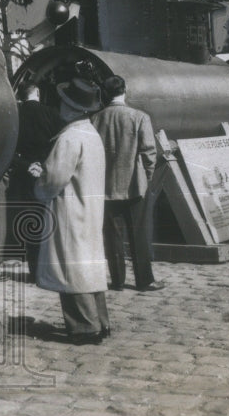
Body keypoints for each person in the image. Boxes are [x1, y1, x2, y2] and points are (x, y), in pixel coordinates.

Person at [28, 78, 110, 344]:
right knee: (89, 267)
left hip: (70, 210)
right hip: (89, 207)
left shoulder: (69, 137)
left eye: (64, 102)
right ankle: (100, 320)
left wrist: (39, 180)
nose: (59, 106)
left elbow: (54, 178)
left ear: (73, 107)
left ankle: (85, 327)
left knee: (71, 269)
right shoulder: (90, 133)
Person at [91, 75, 163, 292]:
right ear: (125, 90)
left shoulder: (96, 119)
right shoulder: (139, 117)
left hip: (105, 187)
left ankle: (118, 280)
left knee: (111, 237)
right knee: (138, 234)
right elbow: (149, 152)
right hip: (134, 185)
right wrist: (147, 176)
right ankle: (144, 280)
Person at [9, 82, 64, 281]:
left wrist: (27, 165)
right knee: (48, 220)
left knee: (29, 221)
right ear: (38, 93)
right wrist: (43, 165)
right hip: (46, 173)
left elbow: (8, 149)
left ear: (21, 95)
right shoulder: (52, 113)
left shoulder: (14, 115)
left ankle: (34, 270)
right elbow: (60, 143)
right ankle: (49, 268)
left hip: (23, 176)